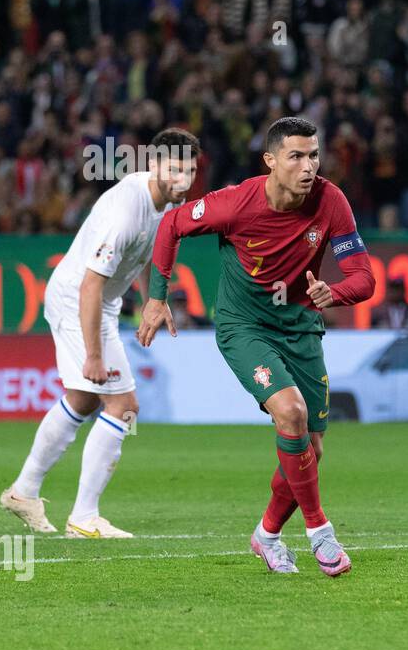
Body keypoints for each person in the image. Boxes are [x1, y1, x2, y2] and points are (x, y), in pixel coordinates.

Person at [137, 117, 377, 576]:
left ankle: (266, 535)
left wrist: (336, 292)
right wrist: (156, 297)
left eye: (313, 155)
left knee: (312, 449)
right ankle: (319, 532)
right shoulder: (236, 204)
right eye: (296, 156)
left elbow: (364, 278)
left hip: (302, 329)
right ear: (270, 160)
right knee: (291, 414)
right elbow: (171, 224)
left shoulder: (331, 202)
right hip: (245, 328)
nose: (309, 166)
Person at [0, 129, 199, 538]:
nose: (185, 179)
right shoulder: (125, 211)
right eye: (177, 170)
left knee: (85, 398)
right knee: (123, 404)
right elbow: (91, 285)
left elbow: (156, 250)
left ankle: (23, 492)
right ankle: (84, 517)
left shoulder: (166, 205)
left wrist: (153, 300)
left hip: (99, 302)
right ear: (156, 166)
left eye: (191, 171)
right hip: (78, 300)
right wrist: (93, 356)